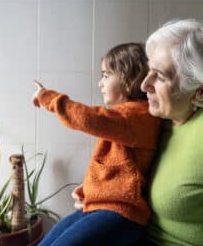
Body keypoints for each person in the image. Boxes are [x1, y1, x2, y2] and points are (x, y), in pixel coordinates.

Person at [73, 19, 203, 246]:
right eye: (149, 71)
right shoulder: (158, 121)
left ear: (199, 91)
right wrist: (99, 192)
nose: (144, 85)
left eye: (160, 76)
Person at [32, 43, 161, 246]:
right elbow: (118, 168)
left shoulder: (138, 116)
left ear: (129, 78)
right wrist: (90, 189)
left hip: (122, 215)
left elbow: (89, 118)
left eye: (106, 75)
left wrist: (49, 98)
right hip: (101, 207)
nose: (100, 83)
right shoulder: (125, 119)